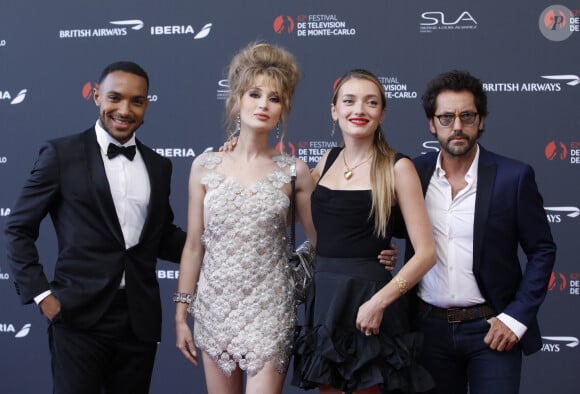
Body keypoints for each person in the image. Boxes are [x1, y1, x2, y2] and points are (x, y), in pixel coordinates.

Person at [4, 61, 187, 394]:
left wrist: (219, 246)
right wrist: (43, 295)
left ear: (146, 104)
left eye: (136, 101)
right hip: (76, 315)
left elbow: (161, 238)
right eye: (114, 98)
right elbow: (17, 228)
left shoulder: (160, 166)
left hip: (138, 320)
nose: (124, 110)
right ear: (95, 95)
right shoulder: (61, 154)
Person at [384, 70, 557, 394]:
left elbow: (542, 250)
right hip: (426, 330)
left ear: (481, 121)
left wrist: (515, 318)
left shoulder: (514, 177)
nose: (458, 127)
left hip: (492, 330)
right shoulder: (413, 174)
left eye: (467, 116)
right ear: (431, 124)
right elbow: (387, 227)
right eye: (446, 118)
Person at [174, 42, 317, 394]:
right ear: (237, 99)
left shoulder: (294, 171)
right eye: (255, 94)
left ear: (283, 108)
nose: (263, 105)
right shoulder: (204, 166)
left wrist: (374, 254)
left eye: (275, 98)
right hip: (215, 307)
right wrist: (181, 312)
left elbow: (323, 241)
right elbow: (194, 245)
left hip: (270, 308)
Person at [292, 69, 437, 394]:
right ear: (334, 110)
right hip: (325, 300)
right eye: (349, 101)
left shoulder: (397, 167)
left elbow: (426, 253)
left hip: (370, 301)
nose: (359, 110)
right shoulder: (326, 160)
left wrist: (379, 303)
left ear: (382, 113)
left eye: (370, 102)